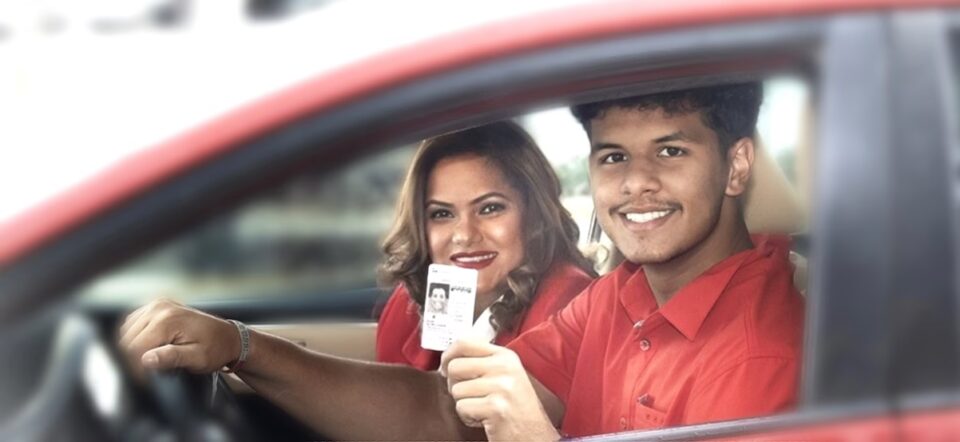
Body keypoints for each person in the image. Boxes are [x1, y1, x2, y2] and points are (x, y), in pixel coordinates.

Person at [120, 82, 803, 441]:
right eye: (613, 157)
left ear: (737, 166)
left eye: (671, 151)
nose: (635, 185)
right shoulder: (621, 297)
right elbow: (441, 416)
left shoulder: (760, 358)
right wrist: (241, 346)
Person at [375, 122, 596, 370]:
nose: (465, 235)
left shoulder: (571, 302)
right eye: (442, 214)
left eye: (490, 208)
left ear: (534, 213)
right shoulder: (410, 300)